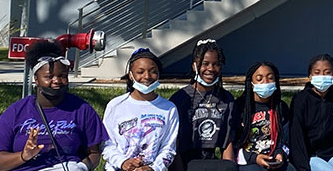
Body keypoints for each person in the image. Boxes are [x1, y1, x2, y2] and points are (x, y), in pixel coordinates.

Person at [0, 39, 108, 171]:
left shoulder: (82, 109)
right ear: (36, 80)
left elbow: (93, 153)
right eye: (49, 76)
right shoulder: (16, 111)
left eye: (62, 75)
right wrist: (23, 156)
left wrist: (81, 167)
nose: (56, 81)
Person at [102, 48, 180, 171]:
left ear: (159, 74)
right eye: (140, 72)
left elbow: (169, 147)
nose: (147, 76)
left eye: (153, 71)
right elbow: (106, 144)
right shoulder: (115, 105)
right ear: (131, 75)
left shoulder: (169, 109)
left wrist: (153, 168)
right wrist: (123, 162)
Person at [170, 39, 238, 171]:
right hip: (185, 161)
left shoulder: (226, 99)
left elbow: (227, 141)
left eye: (216, 64)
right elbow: (174, 143)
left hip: (211, 161)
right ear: (194, 66)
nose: (211, 69)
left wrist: (230, 167)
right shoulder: (180, 98)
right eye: (205, 64)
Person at [289, 54, 333, 171]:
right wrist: (303, 166)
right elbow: (296, 136)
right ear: (310, 75)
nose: (322, 76)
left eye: (327, 72)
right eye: (317, 72)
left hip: (330, 154)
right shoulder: (301, 100)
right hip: (310, 156)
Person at [235, 61, 290, 171]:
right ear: (251, 83)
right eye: (259, 79)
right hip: (248, 160)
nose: (265, 82)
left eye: (270, 78)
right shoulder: (240, 107)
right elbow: (234, 143)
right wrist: (255, 158)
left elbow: (286, 139)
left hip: (273, 157)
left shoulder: (280, 107)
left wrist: (280, 154)